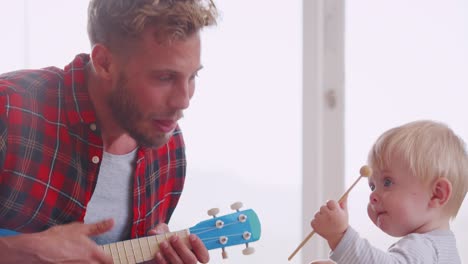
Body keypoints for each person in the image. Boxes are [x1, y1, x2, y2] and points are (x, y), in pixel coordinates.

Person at [0, 0, 217, 263]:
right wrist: (20, 250)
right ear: (104, 63)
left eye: (192, 76)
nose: (183, 100)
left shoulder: (169, 148)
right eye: (165, 78)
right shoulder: (9, 109)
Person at [310, 120, 468, 264]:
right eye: (372, 186)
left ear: (437, 194)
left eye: (387, 182)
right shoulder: (441, 248)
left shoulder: (424, 247)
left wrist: (339, 236)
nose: (372, 196)